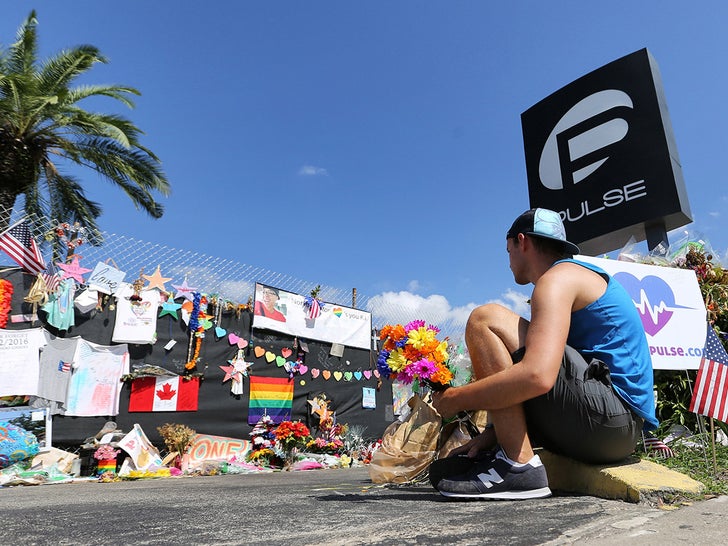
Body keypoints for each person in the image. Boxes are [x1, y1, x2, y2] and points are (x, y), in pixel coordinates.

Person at [431, 207, 657, 500]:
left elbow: (537, 376)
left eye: (508, 250)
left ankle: (518, 465)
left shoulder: (557, 280)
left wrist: (456, 400)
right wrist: (494, 433)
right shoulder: (571, 279)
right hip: (616, 431)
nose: (508, 261)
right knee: (529, 351)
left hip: (610, 424)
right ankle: (508, 454)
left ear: (522, 242)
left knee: (485, 320)